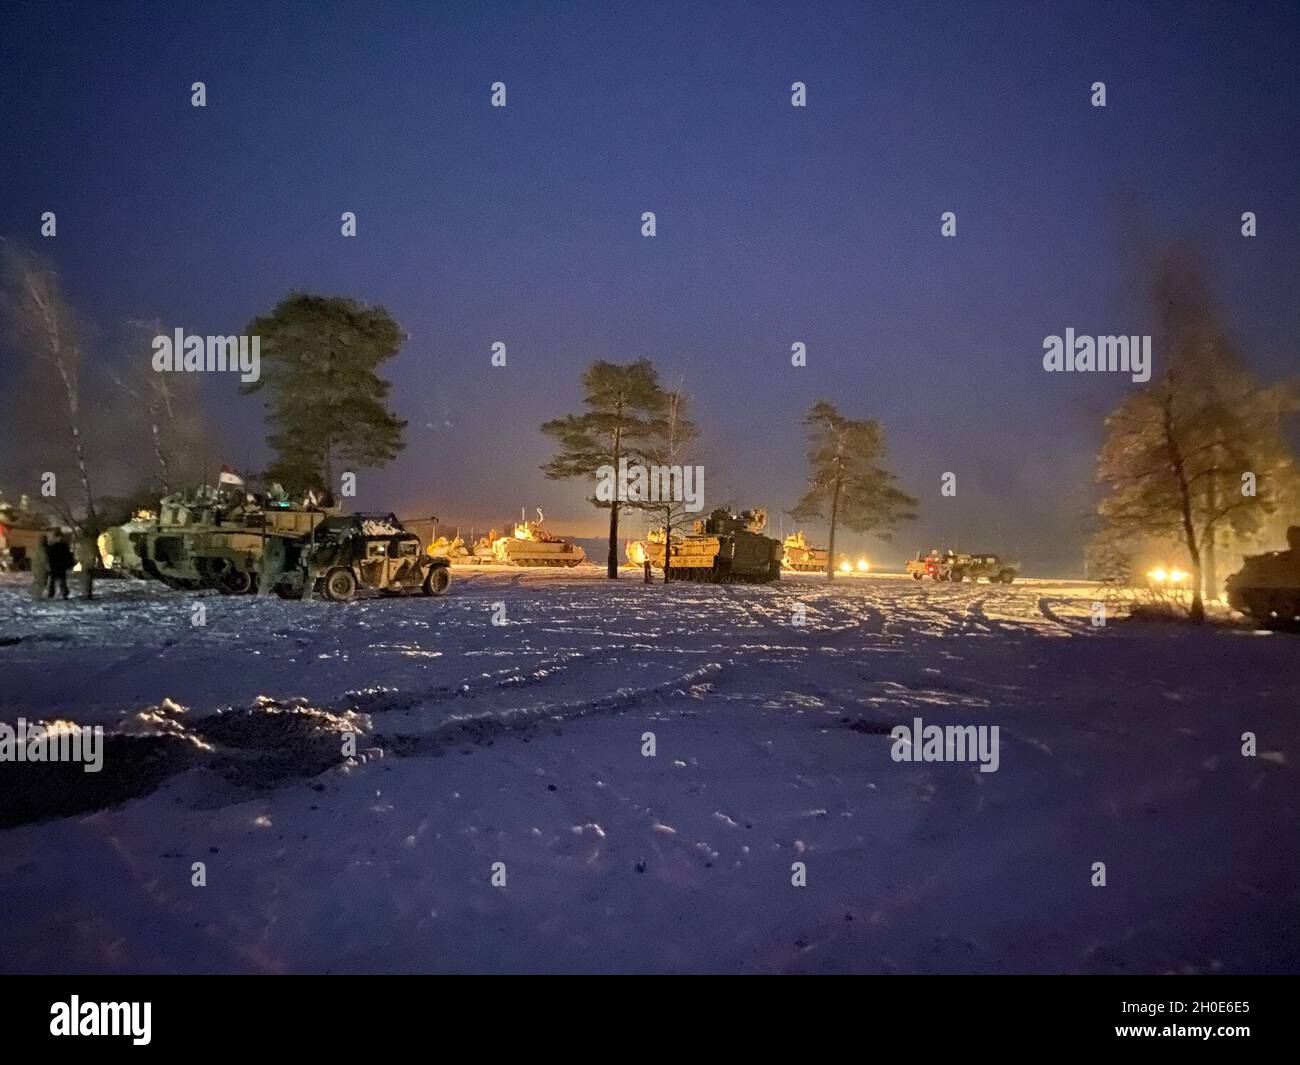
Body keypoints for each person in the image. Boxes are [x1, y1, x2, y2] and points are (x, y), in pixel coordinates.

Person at [45, 528, 74, 599]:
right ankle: (64, 593)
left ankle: (51, 594)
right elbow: (68, 555)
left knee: (53, 581)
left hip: (54, 566)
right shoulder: (64, 546)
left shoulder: (52, 546)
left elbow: (49, 555)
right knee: (62, 580)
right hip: (61, 566)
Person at [75, 529, 98, 599]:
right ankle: (88, 593)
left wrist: (80, 559)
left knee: (85, 578)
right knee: (89, 578)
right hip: (89, 562)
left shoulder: (81, 543)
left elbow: (79, 553)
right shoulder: (89, 542)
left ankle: (86, 594)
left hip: (85, 562)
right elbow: (92, 552)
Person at [30, 533, 50, 601]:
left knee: (38, 582)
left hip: (37, 568)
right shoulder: (42, 549)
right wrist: (48, 568)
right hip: (40, 568)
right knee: (39, 582)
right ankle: (37, 596)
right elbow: (44, 560)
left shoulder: (38, 548)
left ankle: (36, 596)